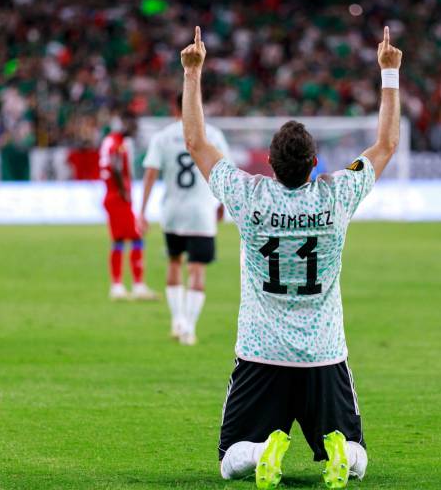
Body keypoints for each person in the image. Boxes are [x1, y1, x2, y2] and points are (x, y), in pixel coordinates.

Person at [179, 26, 402, 488]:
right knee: (358, 453)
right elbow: (385, 146)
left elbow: (197, 144)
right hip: (323, 353)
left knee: (229, 459)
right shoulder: (336, 195)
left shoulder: (248, 196)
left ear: (269, 163)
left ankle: (263, 450)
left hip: (262, 354)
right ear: (315, 163)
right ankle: (339, 451)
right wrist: (390, 72)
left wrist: (192, 73)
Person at [139, 95, 230, 345]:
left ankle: (177, 320)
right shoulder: (212, 134)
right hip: (202, 212)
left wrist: (142, 211)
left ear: (173, 107)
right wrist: (222, 203)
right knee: (197, 269)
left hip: (172, 212)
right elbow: (225, 170)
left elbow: (149, 174)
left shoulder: (163, 136)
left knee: (174, 263)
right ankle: (189, 327)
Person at [98, 115, 157, 301]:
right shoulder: (117, 143)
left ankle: (120, 286)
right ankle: (131, 285)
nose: (134, 129)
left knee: (121, 240)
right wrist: (123, 190)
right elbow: (115, 166)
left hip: (116, 197)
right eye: (132, 125)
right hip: (117, 197)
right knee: (135, 236)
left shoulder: (112, 141)